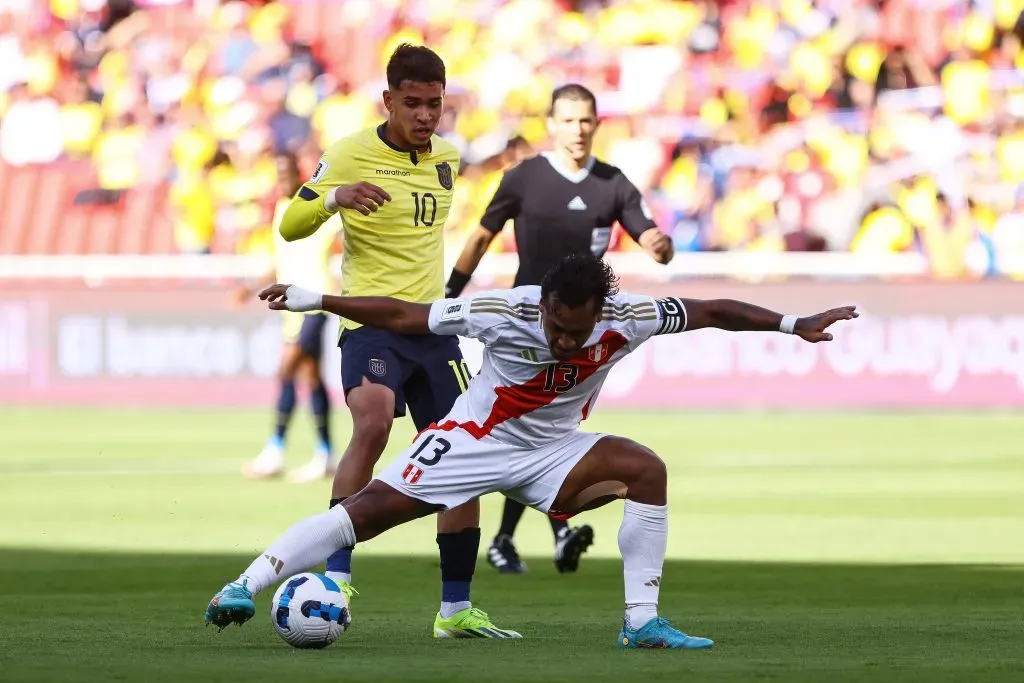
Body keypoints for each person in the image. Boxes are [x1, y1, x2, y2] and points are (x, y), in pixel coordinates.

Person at [205, 253, 857, 647]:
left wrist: (792, 323)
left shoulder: (628, 317)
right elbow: (408, 315)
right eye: (557, 325)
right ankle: (245, 583)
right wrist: (318, 299)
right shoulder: (502, 311)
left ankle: (641, 622)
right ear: (541, 303)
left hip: (553, 453)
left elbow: (711, 308)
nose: (567, 340)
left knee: (646, 469)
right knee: (362, 515)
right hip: (472, 442)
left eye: (578, 330)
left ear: (600, 309)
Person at [266, 43, 516, 638]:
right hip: (371, 325)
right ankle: (336, 575)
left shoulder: (448, 159)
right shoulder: (351, 153)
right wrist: (334, 198)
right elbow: (290, 223)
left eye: (434, 104)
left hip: (435, 332)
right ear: (388, 100)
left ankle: (455, 610)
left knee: (464, 458)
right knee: (373, 423)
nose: (426, 115)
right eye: (413, 103)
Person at [445, 83, 675, 575]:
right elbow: (482, 234)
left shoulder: (612, 184)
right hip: (527, 331)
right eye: (568, 120)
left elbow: (649, 234)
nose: (577, 130)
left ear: (597, 124)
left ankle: (520, 536)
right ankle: (536, 532)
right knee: (527, 431)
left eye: (585, 120)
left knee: (546, 433)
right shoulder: (524, 178)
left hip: (581, 334)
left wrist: (660, 246)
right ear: (551, 124)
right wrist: (451, 293)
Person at [236, 153, 341, 483]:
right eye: (277, 172)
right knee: (310, 378)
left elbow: (340, 239)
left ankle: (275, 450)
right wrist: (251, 286)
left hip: (314, 301)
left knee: (287, 369)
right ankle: (325, 454)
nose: (282, 177)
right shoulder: (282, 210)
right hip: (290, 306)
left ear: (299, 172)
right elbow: (281, 259)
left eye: (286, 170)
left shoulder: (316, 205)